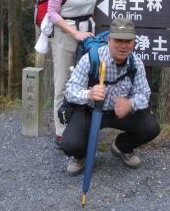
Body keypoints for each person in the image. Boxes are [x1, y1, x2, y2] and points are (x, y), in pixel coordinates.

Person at [61, 18, 161, 175]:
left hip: (118, 112)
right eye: (118, 40)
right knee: (70, 144)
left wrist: (130, 104)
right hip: (90, 111)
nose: (123, 45)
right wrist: (89, 94)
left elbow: (144, 93)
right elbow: (70, 90)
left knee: (151, 127)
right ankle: (81, 156)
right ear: (109, 40)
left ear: (134, 42)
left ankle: (121, 147)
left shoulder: (136, 63)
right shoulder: (91, 59)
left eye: (128, 41)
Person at [45, 0, 98, 149]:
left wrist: (86, 32)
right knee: (63, 81)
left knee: (86, 81)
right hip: (65, 35)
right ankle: (61, 130)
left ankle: (79, 127)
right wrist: (74, 32)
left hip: (88, 34)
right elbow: (52, 13)